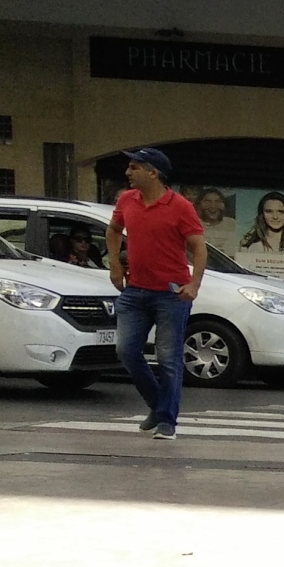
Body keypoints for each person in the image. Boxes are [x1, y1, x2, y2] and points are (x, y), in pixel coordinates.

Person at [104, 147, 208, 441]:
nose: (128, 172)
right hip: (135, 290)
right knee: (126, 350)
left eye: (135, 167)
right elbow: (113, 231)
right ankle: (157, 404)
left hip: (170, 293)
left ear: (154, 173)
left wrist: (194, 284)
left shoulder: (180, 206)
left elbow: (199, 247)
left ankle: (166, 422)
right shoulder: (127, 200)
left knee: (168, 357)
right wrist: (114, 264)